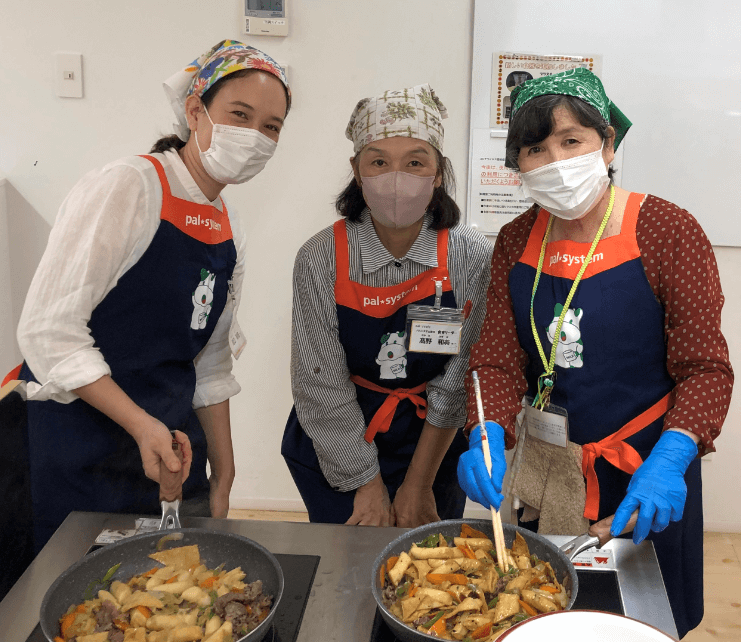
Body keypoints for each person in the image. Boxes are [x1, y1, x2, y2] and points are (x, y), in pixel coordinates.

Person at [457, 68, 733, 638]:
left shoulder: (665, 229)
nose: (554, 160)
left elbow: (705, 366)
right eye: (535, 148)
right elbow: (495, 360)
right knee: (546, 610)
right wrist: (485, 431)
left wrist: (671, 458)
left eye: (571, 141)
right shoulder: (516, 238)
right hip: (548, 468)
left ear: (607, 143)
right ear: (517, 164)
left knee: (644, 616)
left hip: (645, 470)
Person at [16, 40, 290, 551]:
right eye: (240, 114)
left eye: (271, 127)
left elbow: (208, 360)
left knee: (168, 590)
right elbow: (48, 330)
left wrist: (225, 469)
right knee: (80, 597)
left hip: (172, 447)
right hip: (82, 439)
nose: (254, 137)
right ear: (195, 110)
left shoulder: (229, 228)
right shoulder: (130, 186)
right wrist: (141, 425)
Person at [281, 84, 493, 527]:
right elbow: (319, 382)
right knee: (347, 570)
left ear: (438, 173)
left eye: (415, 162)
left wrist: (418, 484)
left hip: (433, 445)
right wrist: (366, 482)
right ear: (357, 172)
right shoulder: (320, 257)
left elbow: (458, 375)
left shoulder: (469, 253)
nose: (396, 179)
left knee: (431, 576)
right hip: (340, 441)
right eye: (379, 162)